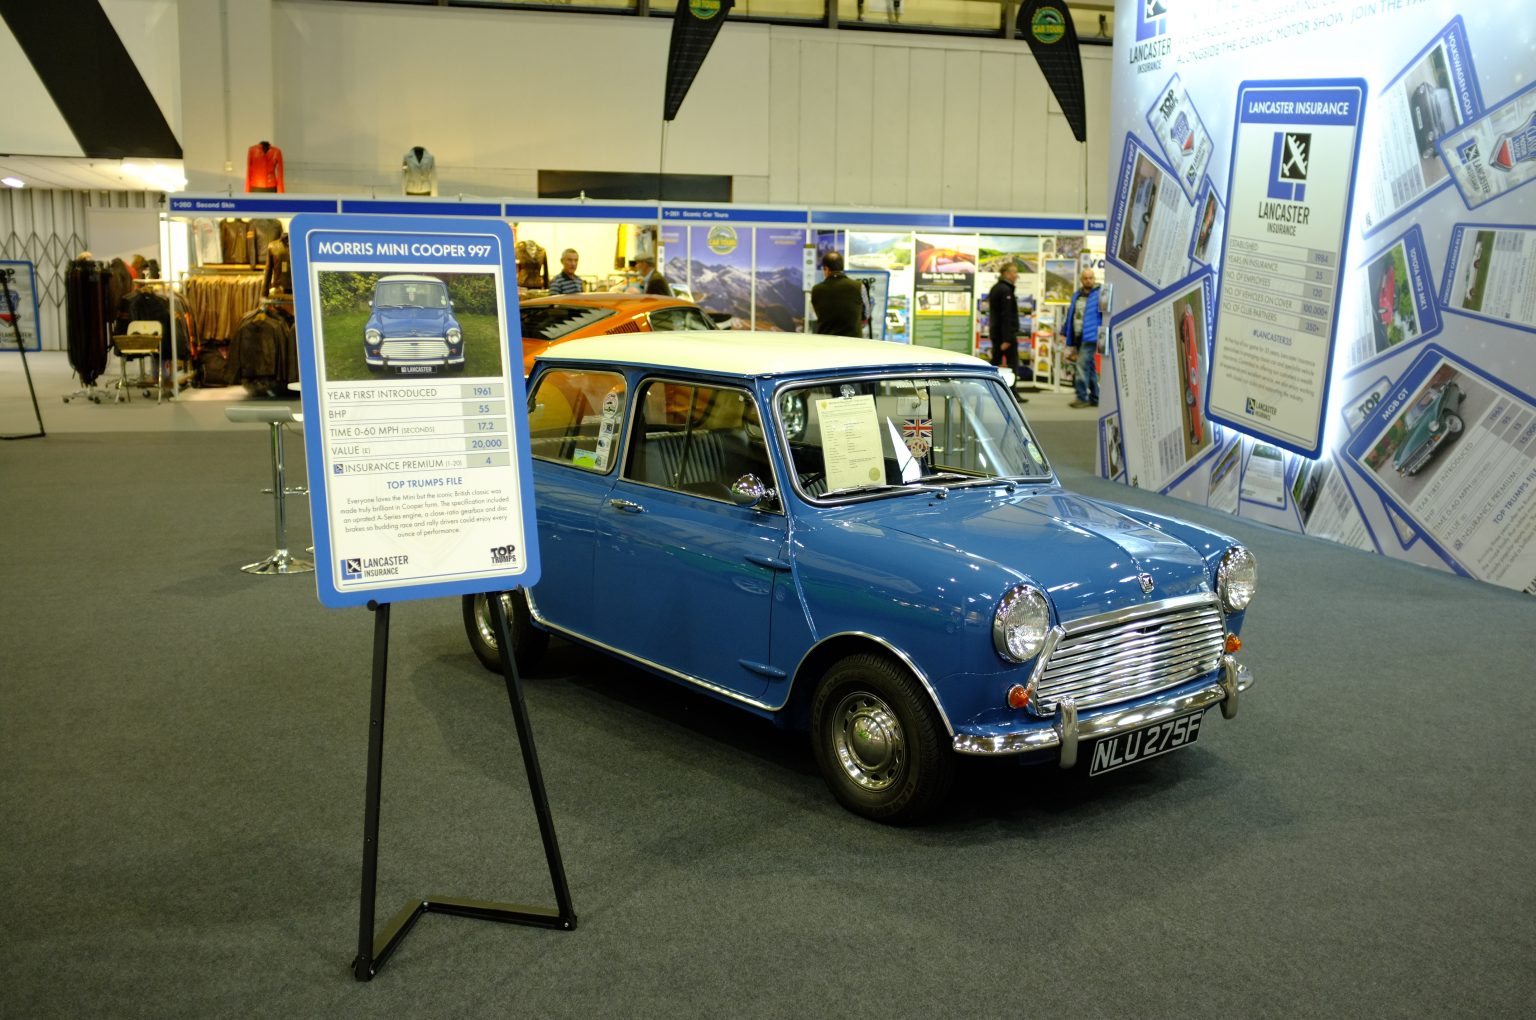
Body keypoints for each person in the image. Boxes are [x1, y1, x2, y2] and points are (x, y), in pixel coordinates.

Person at [1063, 267, 1107, 408]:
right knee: (1090, 368)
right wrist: (1064, 331)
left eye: (1091, 278)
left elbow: (1105, 315)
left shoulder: (1100, 294)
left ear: (1094, 279)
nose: (1088, 280)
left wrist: (1102, 335)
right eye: (1085, 278)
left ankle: (1082, 397)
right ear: (1081, 280)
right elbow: (1071, 315)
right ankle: (1095, 397)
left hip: (1092, 336)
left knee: (1081, 367)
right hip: (1078, 337)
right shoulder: (1077, 295)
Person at [810, 251, 865, 336]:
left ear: (826, 269)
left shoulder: (816, 289)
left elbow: (817, 313)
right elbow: (866, 312)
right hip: (853, 341)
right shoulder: (859, 286)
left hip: (826, 340)